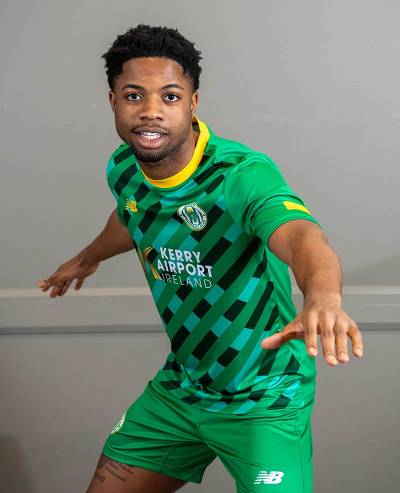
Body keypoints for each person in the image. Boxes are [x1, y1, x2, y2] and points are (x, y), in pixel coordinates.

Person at [38, 24, 363, 493]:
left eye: (169, 97)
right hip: (183, 389)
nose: (150, 111)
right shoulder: (124, 168)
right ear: (113, 101)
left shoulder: (239, 176)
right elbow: (131, 215)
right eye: (133, 96)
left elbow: (301, 236)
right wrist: (88, 257)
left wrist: (324, 297)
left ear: (192, 103)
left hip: (264, 396)